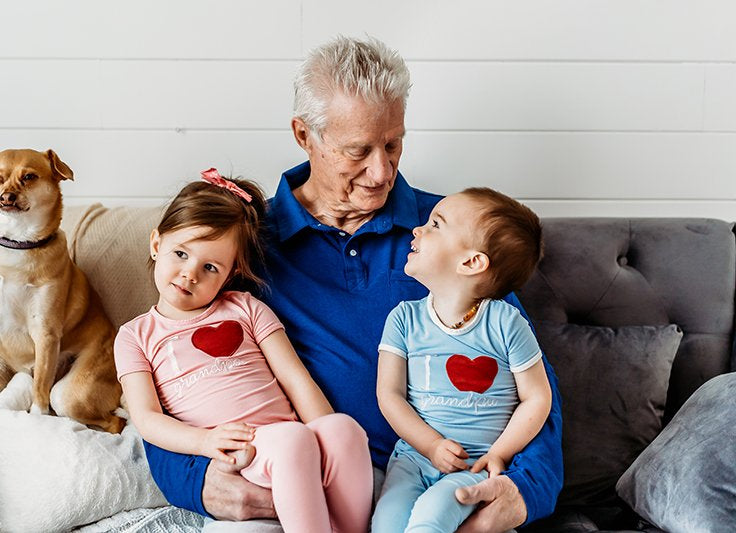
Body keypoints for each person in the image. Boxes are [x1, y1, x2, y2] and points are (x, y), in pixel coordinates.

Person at [143, 36, 563, 533]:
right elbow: (176, 367)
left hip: (439, 484)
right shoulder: (247, 243)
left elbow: (532, 385)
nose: (381, 171)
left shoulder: (450, 235)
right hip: (305, 482)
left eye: (393, 144)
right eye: (357, 150)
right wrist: (196, 481)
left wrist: (523, 492)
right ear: (305, 135)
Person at [114, 169, 373, 533]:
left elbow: (295, 378)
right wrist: (204, 441)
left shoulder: (245, 308)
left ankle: (350, 528)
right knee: (291, 439)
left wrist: (324, 434)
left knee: (344, 429)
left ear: (230, 273)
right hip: (241, 450)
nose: (190, 274)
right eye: (181, 253)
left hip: (290, 439)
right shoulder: (135, 335)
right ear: (156, 243)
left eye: (209, 267)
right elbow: (146, 418)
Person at [371, 188, 552, 532]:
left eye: (436, 224)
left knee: (433, 515)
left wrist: (499, 453)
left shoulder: (506, 323)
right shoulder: (403, 320)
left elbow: (538, 396)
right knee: (386, 523)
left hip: (475, 464)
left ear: (471, 262)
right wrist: (431, 445)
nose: (418, 230)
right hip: (413, 458)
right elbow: (389, 395)